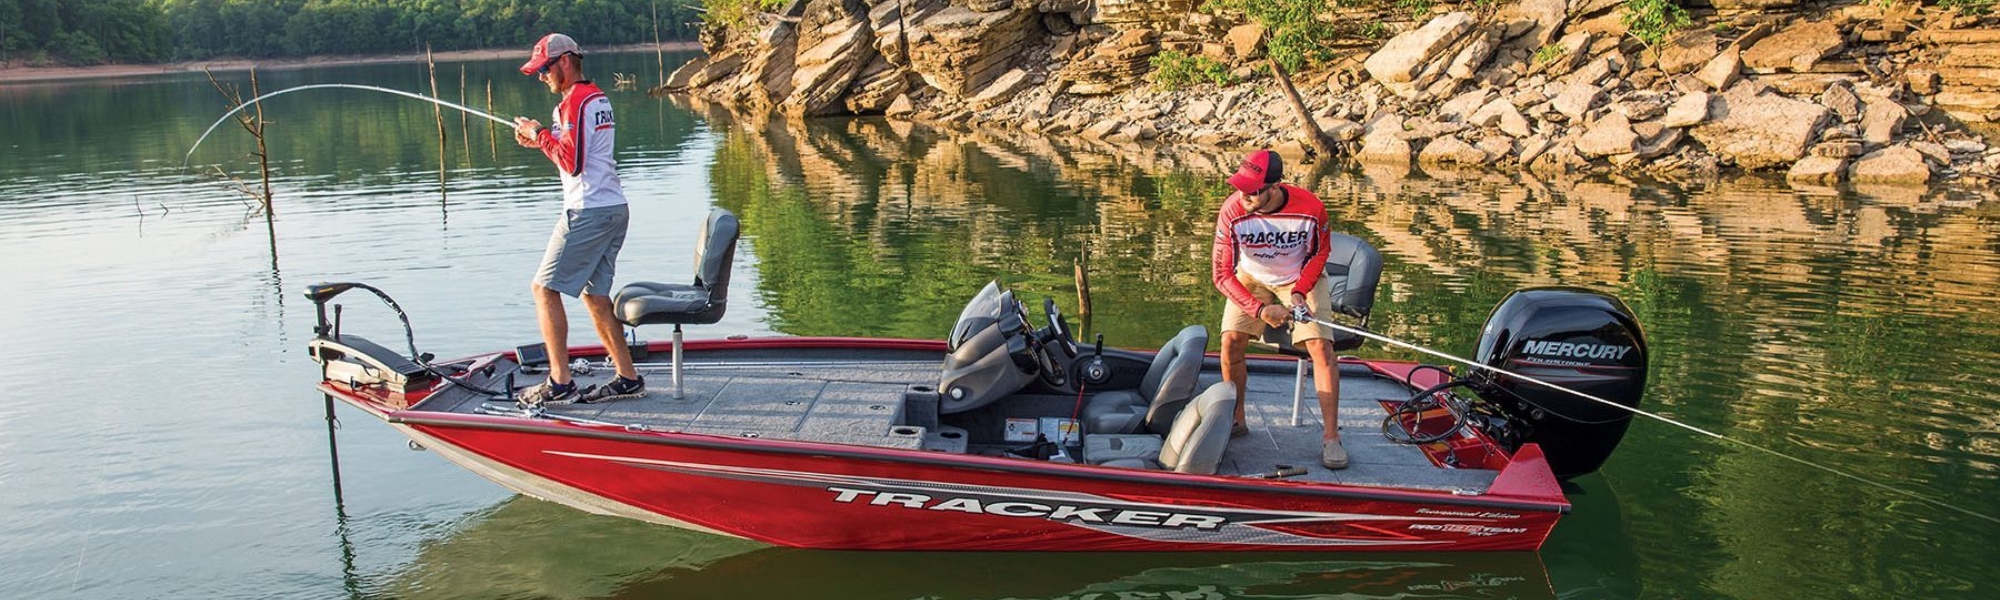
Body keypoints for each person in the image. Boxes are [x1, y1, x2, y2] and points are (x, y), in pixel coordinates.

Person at [511, 33, 645, 405]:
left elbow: (572, 163)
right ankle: (627, 377)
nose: (542, 77)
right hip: (613, 207)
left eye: (545, 69)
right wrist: (540, 140)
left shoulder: (575, 102)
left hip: (588, 210)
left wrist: (539, 132)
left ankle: (560, 382)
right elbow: (577, 155)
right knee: (595, 296)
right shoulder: (596, 97)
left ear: (565, 62)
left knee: (543, 289)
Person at [1211, 149, 1346, 469]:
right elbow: (1221, 274)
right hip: (1251, 277)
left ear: (1275, 186)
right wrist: (1259, 310)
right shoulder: (1231, 211)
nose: (1244, 195)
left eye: (1252, 190)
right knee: (1230, 340)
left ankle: (1331, 438)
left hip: (1299, 277)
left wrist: (1299, 292)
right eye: (1240, 187)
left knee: (1321, 347)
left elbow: (1319, 253)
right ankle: (1237, 419)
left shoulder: (1312, 209)